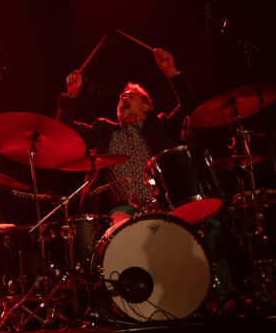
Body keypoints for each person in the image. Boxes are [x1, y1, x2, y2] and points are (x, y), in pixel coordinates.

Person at [57, 48, 196, 222]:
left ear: (146, 106)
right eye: (121, 98)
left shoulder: (160, 125)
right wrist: (71, 95)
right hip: (120, 213)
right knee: (119, 220)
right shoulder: (103, 130)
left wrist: (171, 72)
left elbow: (189, 104)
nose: (123, 99)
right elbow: (64, 131)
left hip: (165, 206)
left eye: (130, 96)